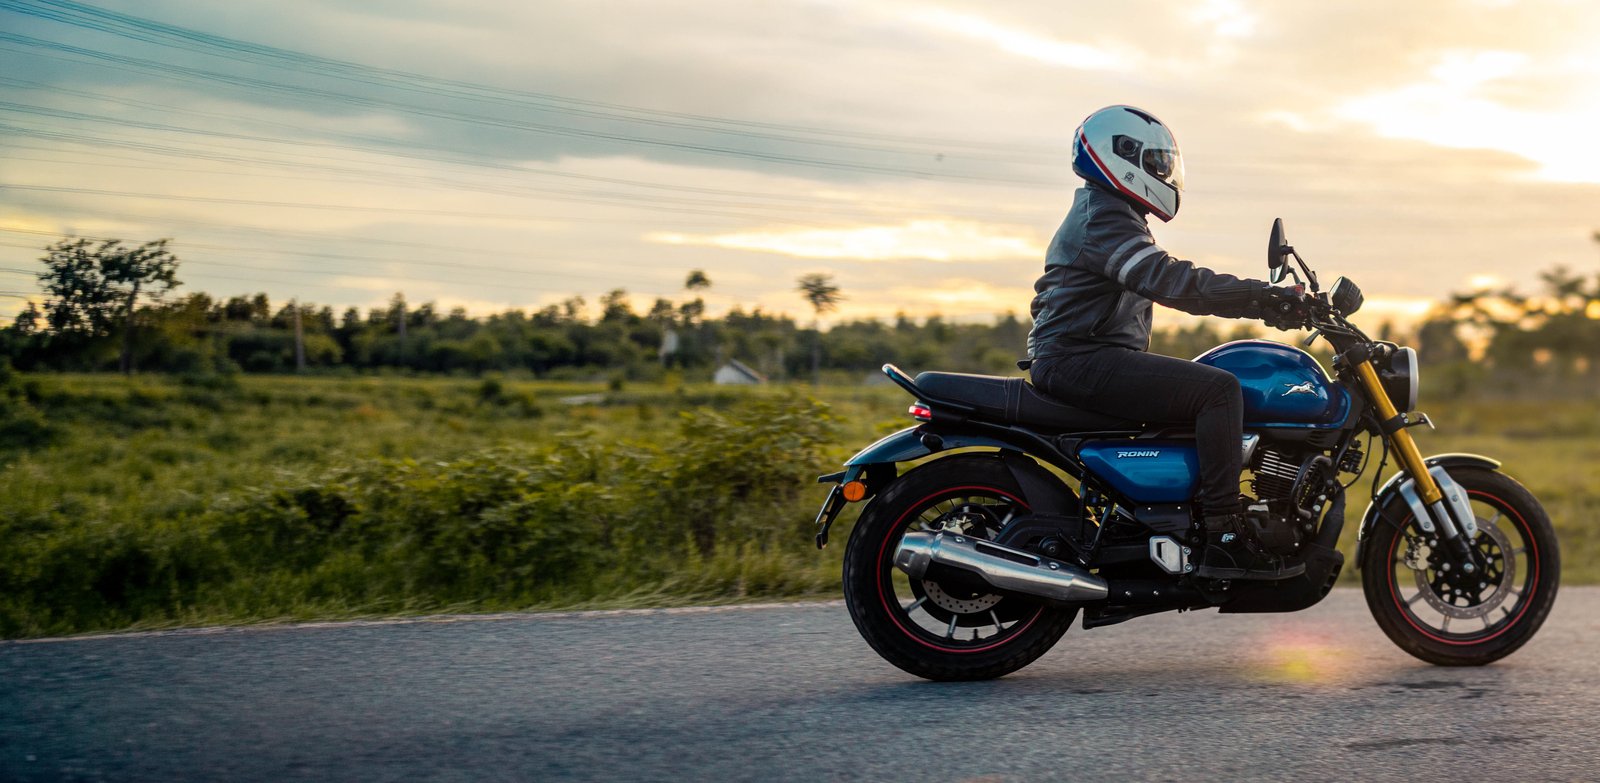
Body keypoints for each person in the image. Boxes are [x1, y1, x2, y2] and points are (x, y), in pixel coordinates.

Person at [1025, 105, 1310, 580]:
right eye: (1156, 163)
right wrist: (1262, 298)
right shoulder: (1104, 217)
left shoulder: (1112, 213)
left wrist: (1270, 299)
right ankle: (1223, 532)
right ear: (1122, 156)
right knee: (1217, 389)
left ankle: (1187, 520)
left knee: (1202, 386)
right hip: (1078, 359)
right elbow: (1172, 281)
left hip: (1087, 356)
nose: (1164, 174)